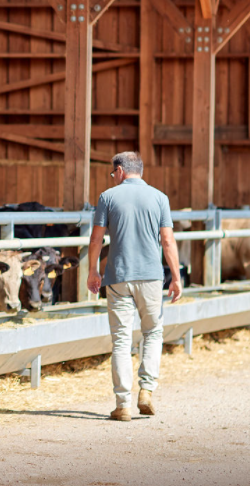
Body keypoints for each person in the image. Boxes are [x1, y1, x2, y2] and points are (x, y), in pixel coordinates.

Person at [87, 151, 181, 422]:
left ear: (120, 170)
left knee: (121, 340)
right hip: (151, 276)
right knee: (152, 333)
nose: (112, 177)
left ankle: (123, 404)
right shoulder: (160, 198)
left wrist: (93, 271)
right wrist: (175, 276)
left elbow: (96, 240)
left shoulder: (108, 197)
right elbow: (167, 241)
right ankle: (147, 391)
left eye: (112, 173)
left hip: (118, 277)